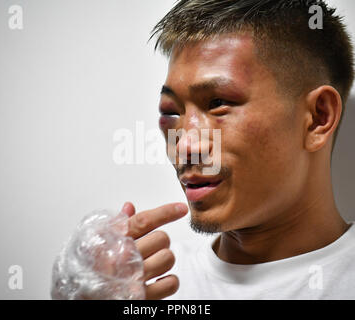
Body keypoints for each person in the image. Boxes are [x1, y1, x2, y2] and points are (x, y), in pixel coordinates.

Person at [121, 0, 355, 299]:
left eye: (218, 103)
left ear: (317, 118)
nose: (185, 145)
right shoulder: (148, 287)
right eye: (171, 112)